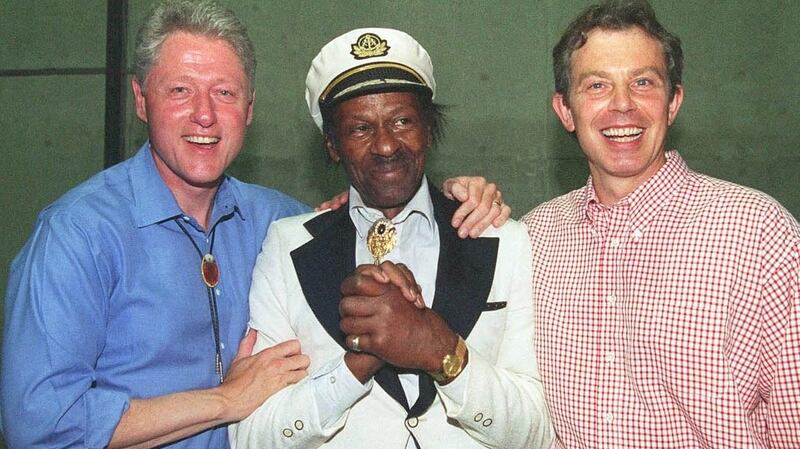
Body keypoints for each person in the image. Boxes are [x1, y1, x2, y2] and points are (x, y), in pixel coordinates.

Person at [0, 2, 506, 448]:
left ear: (249, 108)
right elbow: (41, 425)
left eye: (224, 92)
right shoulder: (76, 235)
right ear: (140, 99)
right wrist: (223, 402)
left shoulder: (279, 220)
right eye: (179, 90)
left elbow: (369, 214)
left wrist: (458, 197)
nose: (204, 115)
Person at [232, 27, 552, 449]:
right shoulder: (287, 246)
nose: (385, 145)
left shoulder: (505, 239)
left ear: (429, 130)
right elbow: (252, 438)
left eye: (402, 121)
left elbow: (538, 433)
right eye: (360, 128)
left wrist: (444, 353)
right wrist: (354, 367)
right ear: (332, 145)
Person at [520, 1, 800, 447]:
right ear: (565, 110)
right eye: (596, 85)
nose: (622, 105)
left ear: (673, 102)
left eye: (643, 82)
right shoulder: (535, 237)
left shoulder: (760, 234)